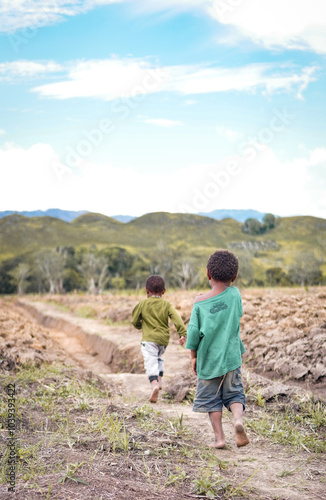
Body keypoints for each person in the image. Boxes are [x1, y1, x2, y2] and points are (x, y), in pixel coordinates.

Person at [186, 250, 249, 448]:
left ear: (208, 274)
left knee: (212, 400)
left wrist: (194, 357)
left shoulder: (199, 303)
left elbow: (193, 333)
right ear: (235, 276)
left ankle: (219, 439)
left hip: (209, 359)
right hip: (231, 357)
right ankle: (238, 420)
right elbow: (237, 314)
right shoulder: (235, 294)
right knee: (235, 394)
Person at [131, 275, 186, 403]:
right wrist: (182, 333)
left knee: (150, 360)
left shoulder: (143, 303)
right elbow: (176, 318)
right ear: (164, 291)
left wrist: (140, 325)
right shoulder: (166, 304)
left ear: (146, 291)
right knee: (158, 357)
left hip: (149, 339)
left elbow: (134, 320)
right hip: (163, 340)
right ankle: (160, 380)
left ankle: (154, 384)